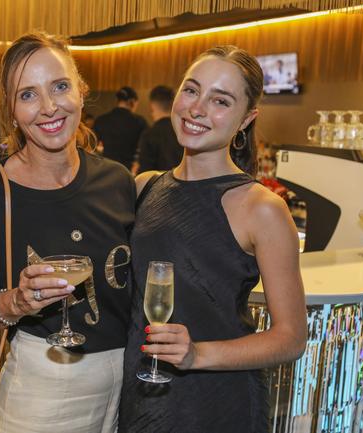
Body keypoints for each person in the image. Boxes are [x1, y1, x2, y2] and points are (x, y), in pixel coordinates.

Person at [120, 45, 307, 433]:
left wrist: (197, 354)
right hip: (141, 397)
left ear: (246, 119)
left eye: (220, 100)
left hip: (216, 402)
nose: (197, 108)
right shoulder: (144, 187)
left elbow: (291, 338)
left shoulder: (262, 208)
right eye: (191, 90)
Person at [0, 31, 136, 433]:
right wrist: (18, 302)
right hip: (43, 390)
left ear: (81, 91)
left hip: (125, 383)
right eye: (28, 94)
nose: (49, 107)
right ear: (11, 109)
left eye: (60, 86)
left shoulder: (118, 181)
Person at [93, 85, 147, 169]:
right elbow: (145, 147)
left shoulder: (102, 120)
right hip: (128, 169)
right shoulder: (139, 122)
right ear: (132, 101)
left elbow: (92, 146)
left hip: (106, 168)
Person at [134, 85, 183, 174]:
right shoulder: (183, 131)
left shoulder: (149, 134)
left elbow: (145, 172)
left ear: (152, 106)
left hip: (158, 185)